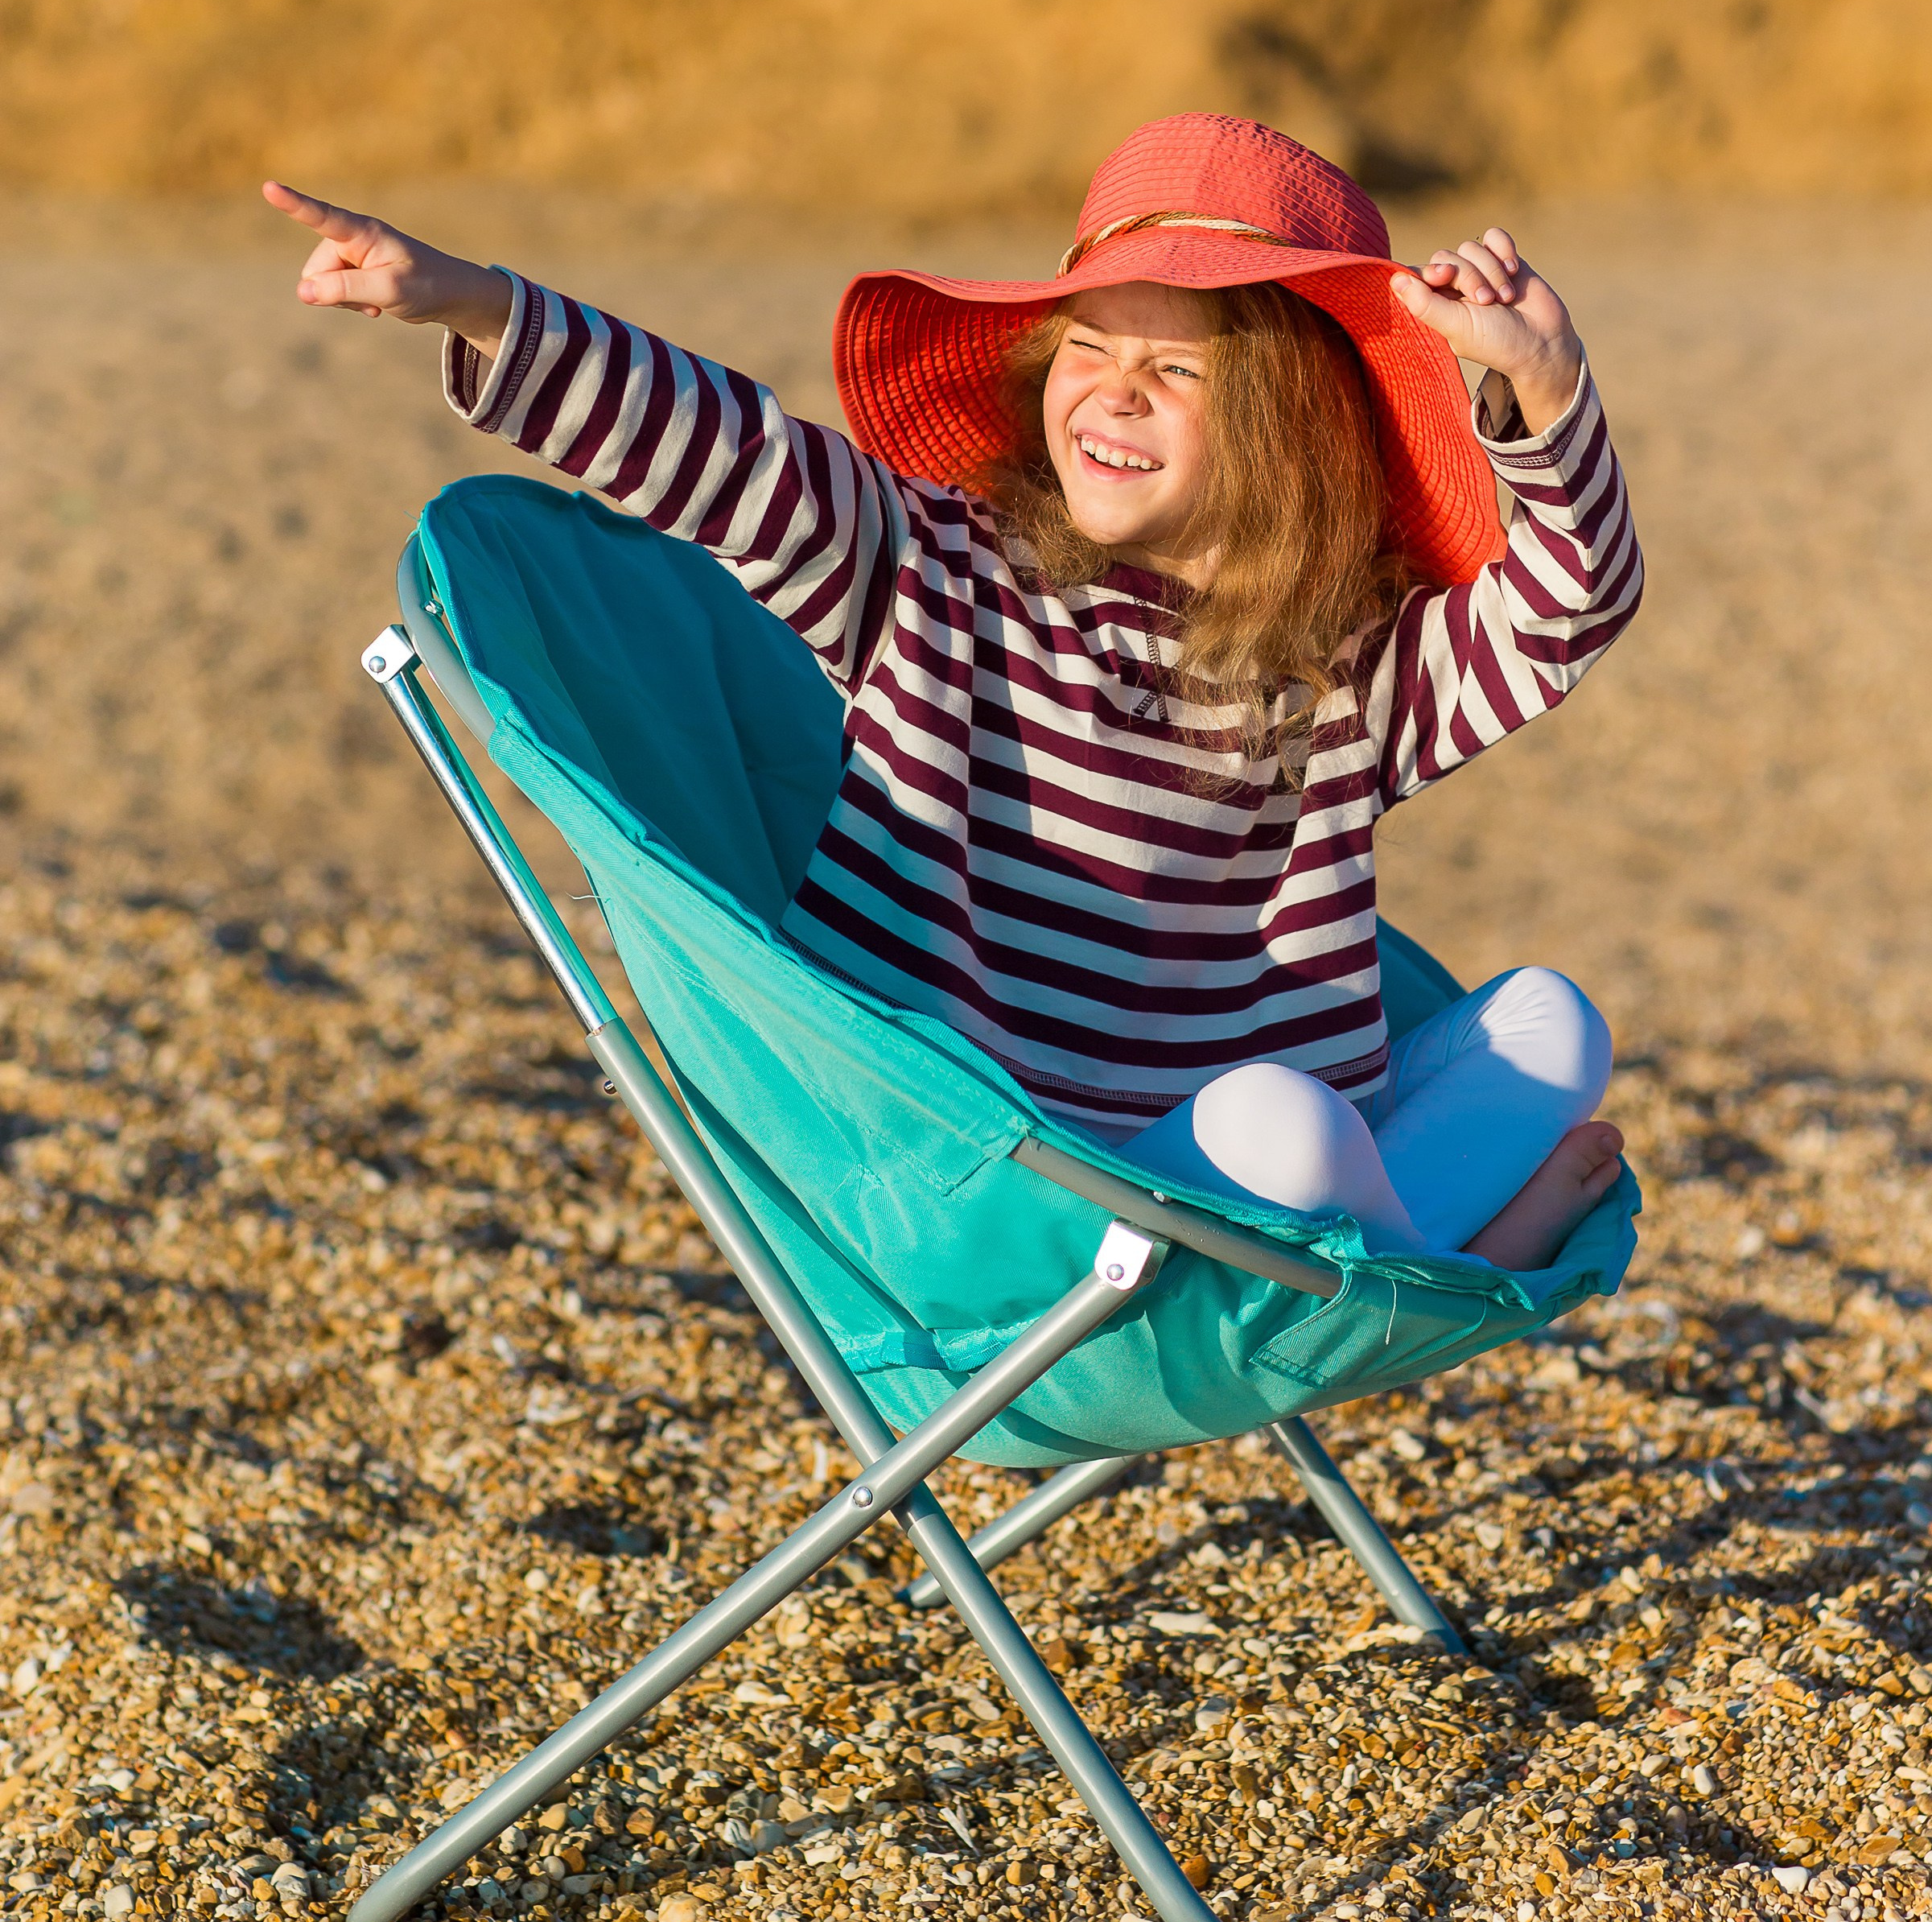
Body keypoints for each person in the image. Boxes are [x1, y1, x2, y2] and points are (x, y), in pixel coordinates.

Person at [265, 114, 1642, 1281]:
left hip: (1235, 1175)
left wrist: (1543, 378)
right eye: (1088, 352)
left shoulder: (1347, 669)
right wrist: (472, 302)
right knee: (1295, 1127)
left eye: (1174, 370)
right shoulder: (926, 566)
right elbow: (712, 444)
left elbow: (1569, 608)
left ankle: (1387, 1252)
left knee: (1548, 1022)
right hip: (1007, 1186)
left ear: (1292, 426)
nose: (1112, 395)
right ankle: (1453, 1266)